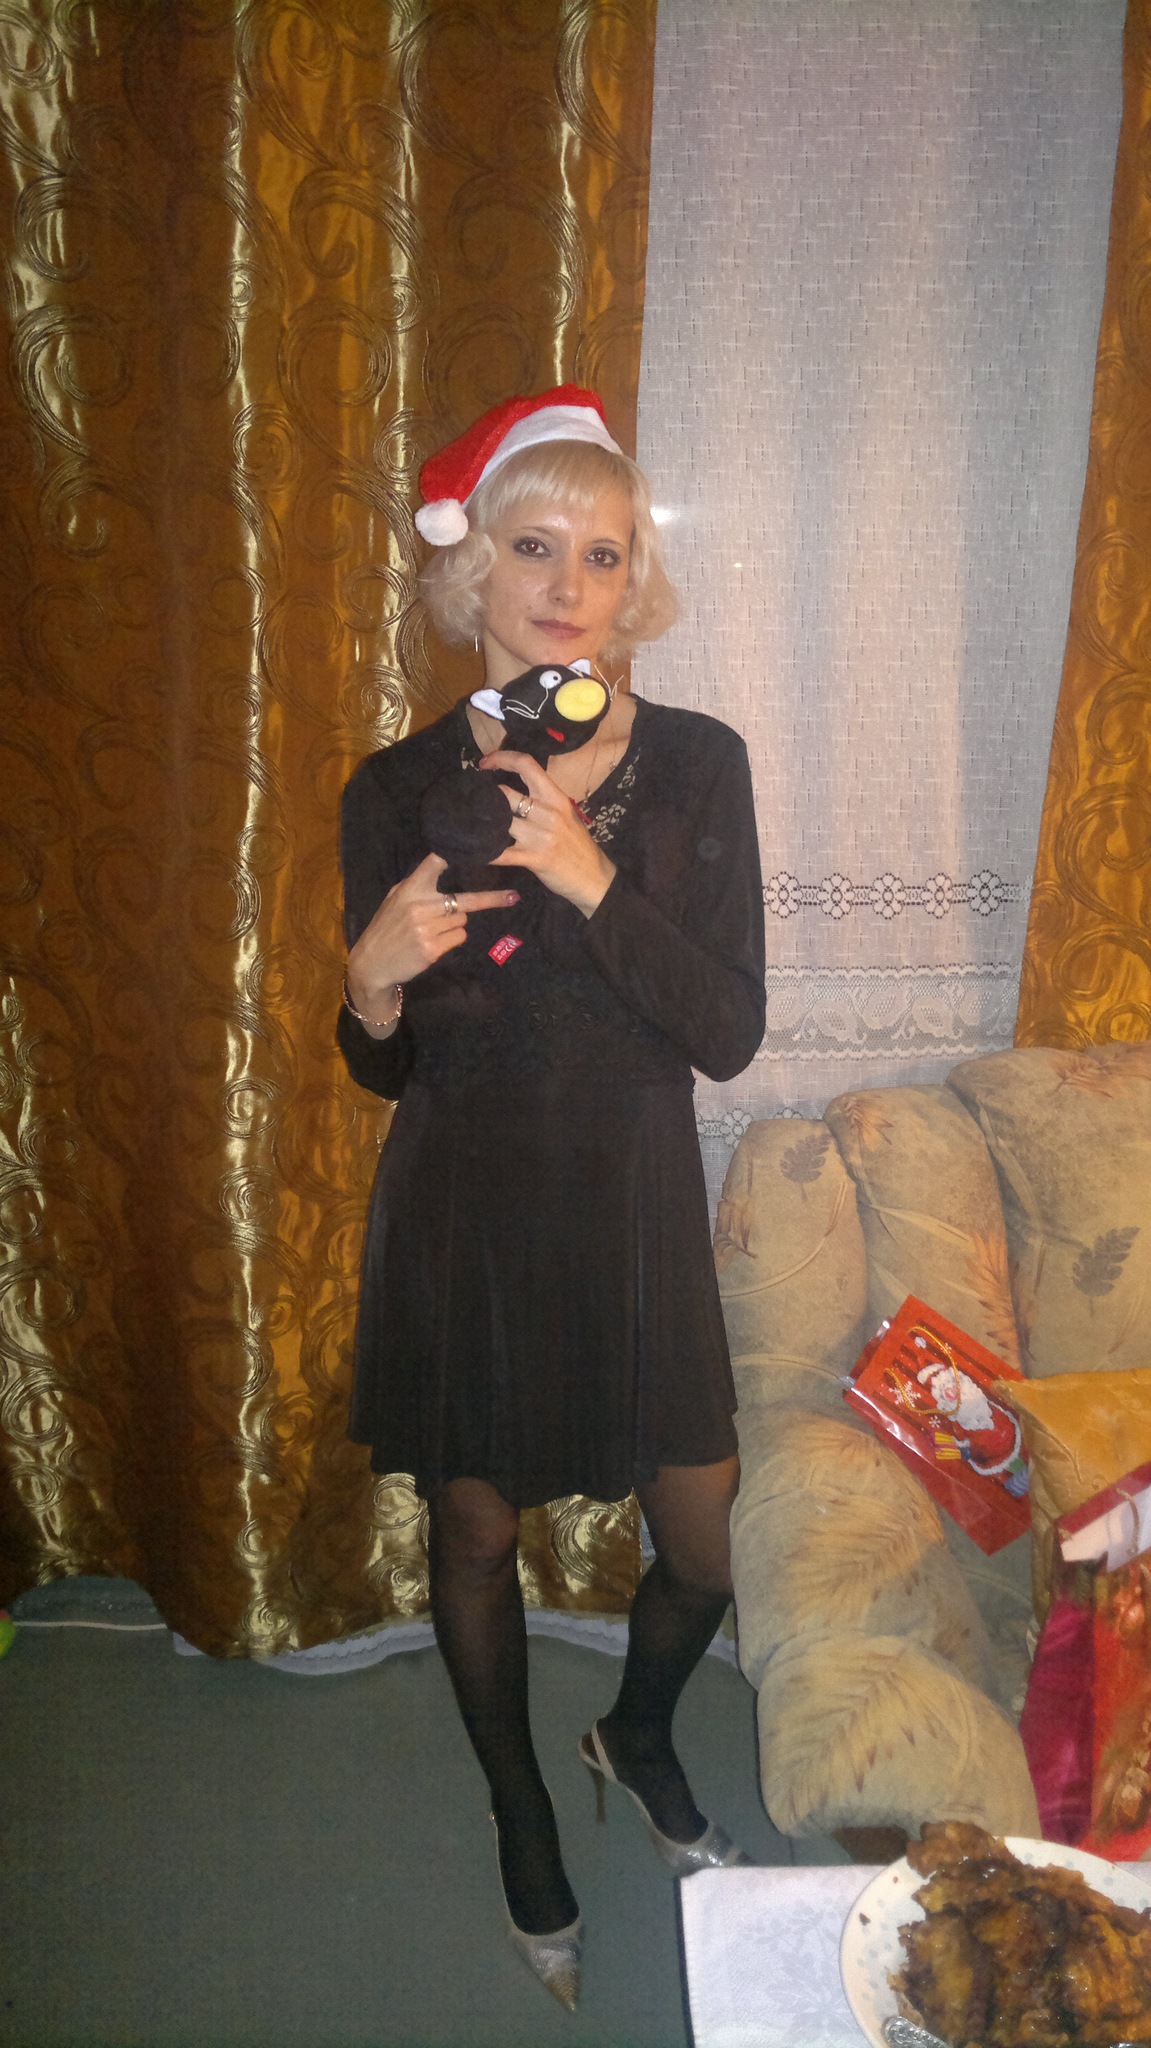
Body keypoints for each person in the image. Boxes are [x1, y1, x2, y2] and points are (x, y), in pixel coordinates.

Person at [337, 386, 766, 2011]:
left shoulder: (699, 765)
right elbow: (387, 1068)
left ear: (632, 579)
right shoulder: (395, 786)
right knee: (474, 1523)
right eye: (534, 547)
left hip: (632, 1201)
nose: (569, 584)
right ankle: (521, 1812)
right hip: (466, 1202)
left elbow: (727, 1029)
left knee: (706, 1540)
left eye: (603, 552)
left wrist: (589, 876)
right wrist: (368, 988)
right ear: (475, 569)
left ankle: (634, 1731)